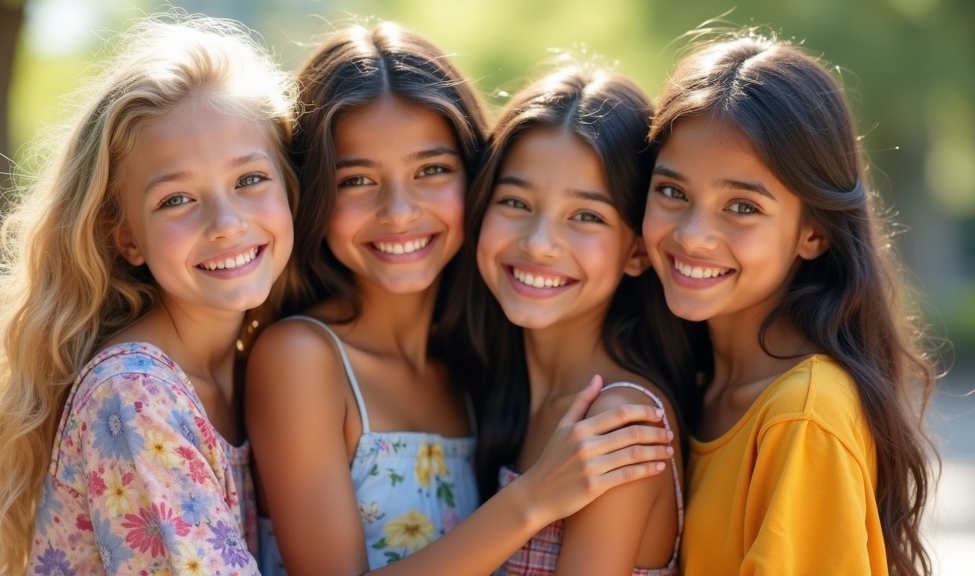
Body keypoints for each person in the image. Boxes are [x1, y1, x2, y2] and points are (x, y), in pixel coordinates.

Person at [245, 23, 677, 576]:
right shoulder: (302, 358)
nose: (399, 211)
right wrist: (531, 500)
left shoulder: (475, 369)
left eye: (431, 170)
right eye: (356, 180)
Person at [0, 15, 301, 575]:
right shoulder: (136, 394)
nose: (225, 222)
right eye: (175, 200)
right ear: (127, 239)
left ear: (289, 186)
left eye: (248, 180)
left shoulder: (253, 364)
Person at [640, 31, 936, 576]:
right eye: (673, 192)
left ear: (814, 233)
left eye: (742, 206)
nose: (693, 234)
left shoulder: (803, 414)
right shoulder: (694, 383)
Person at [458, 64, 703, 575]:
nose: (540, 242)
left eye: (586, 216)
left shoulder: (621, 424)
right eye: (515, 202)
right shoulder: (501, 394)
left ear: (637, 251)